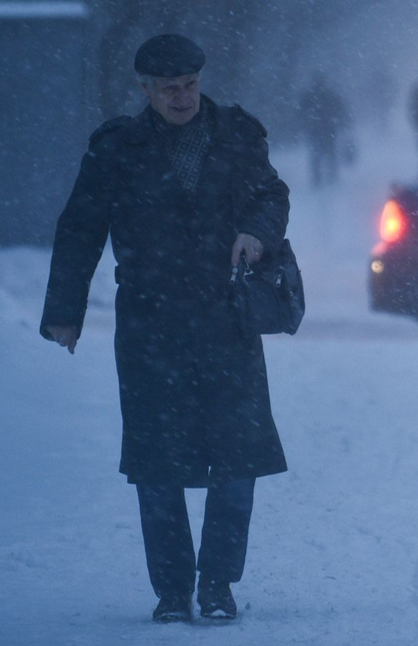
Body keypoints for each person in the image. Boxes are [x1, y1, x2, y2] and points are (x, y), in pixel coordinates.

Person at [40, 34, 290, 623]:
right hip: (151, 323)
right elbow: (81, 227)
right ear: (145, 89)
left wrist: (257, 232)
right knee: (156, 461)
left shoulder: (237, 135)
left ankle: (218, 584)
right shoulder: (117, 148)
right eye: (169, 88)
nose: (182, 97)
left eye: (190, 85)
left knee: (236, 456)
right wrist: (63, 311)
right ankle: (173, 590)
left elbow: (271, 195)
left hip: (227, 316)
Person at [299, 73, 353, 188]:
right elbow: (340, 109)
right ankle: (328, 177)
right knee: (327, 152)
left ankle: (319, 178)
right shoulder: (328, 95)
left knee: (318, 153)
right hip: (327, 128)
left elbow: (302, 112)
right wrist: (341, 122)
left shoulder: (311, 96)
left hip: (319, 128)